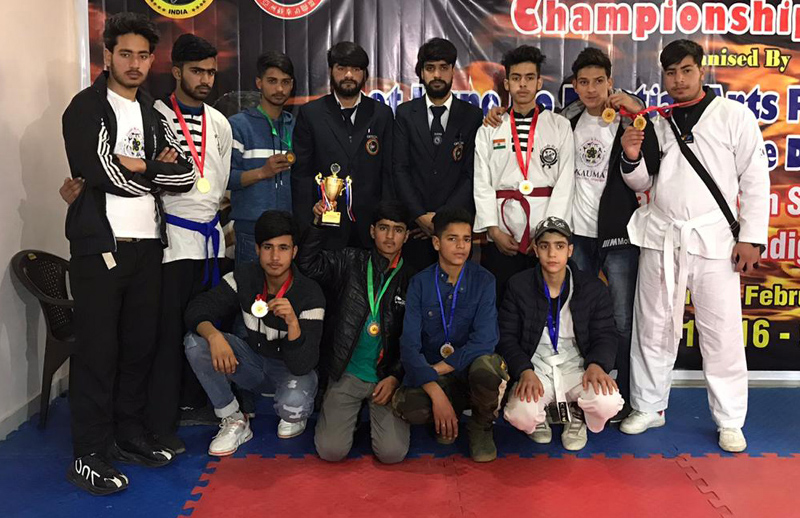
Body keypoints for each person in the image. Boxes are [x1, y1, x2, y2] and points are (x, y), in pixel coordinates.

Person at [62, 13, 194, 495]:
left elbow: (185, 176)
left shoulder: (155, 111)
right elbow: (99, 172)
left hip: (148, 250)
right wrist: (148, 170)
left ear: (152, 59)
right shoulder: (86, 107)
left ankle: (128, 435)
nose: (135, 64)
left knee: (139, 348)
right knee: (99, 352)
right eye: (125, 54)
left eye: (143, 55)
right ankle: (89, 453)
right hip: (100, 248)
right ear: (107, 56)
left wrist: (138, 166)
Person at [617, 40, 769, 452]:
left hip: (715, 239)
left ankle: (730, 419)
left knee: (720, 334)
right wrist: (631, 157)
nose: (678, 80)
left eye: (686, 70)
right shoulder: (656, 121)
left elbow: (755, 179)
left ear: (701, 71)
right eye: (670, 73)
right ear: (662, 77)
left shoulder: (733, 116)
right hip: (661, 235)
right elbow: (643, 184)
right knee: (652, 326)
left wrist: (751, 238)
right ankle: (649, 405)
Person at [556, 47, 660, 421]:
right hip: (576, 236)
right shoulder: (565, 120)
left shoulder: (631, 121)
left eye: (598, 81)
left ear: (610, 82)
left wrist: (636, 108)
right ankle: (585, 393)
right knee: (580, 313)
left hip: (618, 233)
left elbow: (648, 169)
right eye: (583, 82)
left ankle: (633, 397)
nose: (590, 89)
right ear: (574, 85)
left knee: (621, 318)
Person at [146, 34, 232, 453]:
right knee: (167, 334)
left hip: (211, 242)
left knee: (207, 327)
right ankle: (161, 421)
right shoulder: (154, 115)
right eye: (196, 71)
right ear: (176, 70)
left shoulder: (220, 122)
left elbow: (220, 182)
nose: (205, 79)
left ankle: (204, 403)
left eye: (211, 72)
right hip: (171, 243)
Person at [184, 211, 325, 456]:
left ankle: (293, 411)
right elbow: (198, 308)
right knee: (196, 343)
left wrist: (293, 322)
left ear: (294, 252)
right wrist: (214, 336)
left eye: (283, 248)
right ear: (257, 249)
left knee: (291, 412)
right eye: (268, 247)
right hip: (254, 364)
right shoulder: (245, 277)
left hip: (291, 371)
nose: (274, 256)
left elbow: (304, 364)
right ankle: (234, 419)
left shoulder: (310, 293)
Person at [297, 200, 415, 464]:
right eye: (384, 228)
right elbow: (308, 264)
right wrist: (317, 223)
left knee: (392, 454)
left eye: (397, 230)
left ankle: (373, 420)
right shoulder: (350, 261)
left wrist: (396, 376)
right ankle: (349, 417)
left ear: (407, 236)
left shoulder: (413, 280)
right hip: (347, 372)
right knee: (330, 451)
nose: (390, 236)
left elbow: (413, 339)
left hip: (385, 378)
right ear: (372, 231)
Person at [392, 207, 508, 463]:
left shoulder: (485, 281)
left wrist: (440, 369)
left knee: (487, 368)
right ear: (436, 242)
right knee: (405, 404)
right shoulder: (420, 283)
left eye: (466, 239)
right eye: (452, 239)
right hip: (435, 374)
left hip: (465, 369)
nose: (461, 246)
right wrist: (435, 392)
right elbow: (409, 346)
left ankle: (480, 425)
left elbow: (485, 340)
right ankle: (448, 411)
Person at [500, 217, 623, 451]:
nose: (552, 254)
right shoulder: (519, 285)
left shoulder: (592, 288)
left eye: (559, 246)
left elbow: (606, 333)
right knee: (520, 415)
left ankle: (578, 412)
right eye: (545, 246)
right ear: (536, 250)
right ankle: (542, 414)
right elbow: (506, 336)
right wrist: (523, 370)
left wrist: (597, 364)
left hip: (577, 363)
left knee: (608, 402)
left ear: (570, 250)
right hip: (537, 365)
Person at [473, 45, 574, 303]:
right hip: (503, 228)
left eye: (530, 77)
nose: (523, 84)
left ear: (539, 81)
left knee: (542, 299)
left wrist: (548, 233)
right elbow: (482, 182)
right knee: (501, 300)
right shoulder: (490, 128)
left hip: (543, 229)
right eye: (516, 78)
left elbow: (565, 183)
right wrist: (493, 231)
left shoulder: (559, 125)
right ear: (506, 83)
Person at [292, 42, 394, 250]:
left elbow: (389, 173)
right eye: (341, 68)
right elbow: (301, 174)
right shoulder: (311, 114)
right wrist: (308, 216)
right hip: (324, 227)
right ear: (331, 71)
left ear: (364, 74)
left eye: (356, 69)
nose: (348, 75)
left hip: (370, 228)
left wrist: (385, 221)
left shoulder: (381, 114)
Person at [393, 37, 483, 270]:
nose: (437, 75)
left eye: (444, 68)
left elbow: (471, 173)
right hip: (416, 227)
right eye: (430, 68)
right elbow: (400, 169)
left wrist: (442, 218)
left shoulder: (472, 116)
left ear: (453, 71)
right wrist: (420, 215)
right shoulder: (405, 114)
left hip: (456, 229)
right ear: (421, 73)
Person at [228, 51, 295, 264]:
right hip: (251, 232)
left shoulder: (298, 127)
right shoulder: (238, 125)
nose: (279, 89)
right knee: (250, 295)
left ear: (292, 85)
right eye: (272, 81)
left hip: (289, 233)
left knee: (285, 297)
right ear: (259, 82)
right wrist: (262, 173)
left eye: (285, 82)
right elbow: (225, 179)